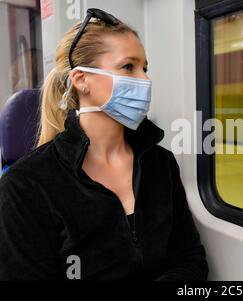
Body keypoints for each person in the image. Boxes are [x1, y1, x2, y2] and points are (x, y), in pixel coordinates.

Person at [0, 8, 208, 281]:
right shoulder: (25, 185)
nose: (145, 80)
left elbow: (188, 258)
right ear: (81, 80)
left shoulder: (161, 163)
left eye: (144, 68)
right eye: (128, 67)